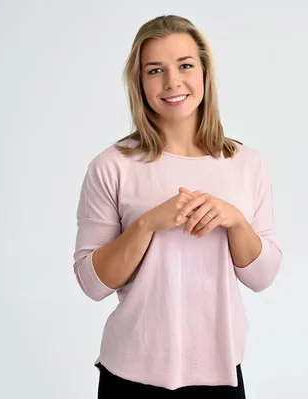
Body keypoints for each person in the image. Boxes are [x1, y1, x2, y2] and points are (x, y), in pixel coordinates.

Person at [72, 14, 282, 398]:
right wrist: (147, 224)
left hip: (219, 374)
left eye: (185, 65)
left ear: (204, 71)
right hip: (129, 376)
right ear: (139, 82)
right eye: (155, 70)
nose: (172, 82)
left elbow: (263, 276)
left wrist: (235, 221)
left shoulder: (246, 163)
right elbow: (91, 282)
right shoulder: (112, 165)